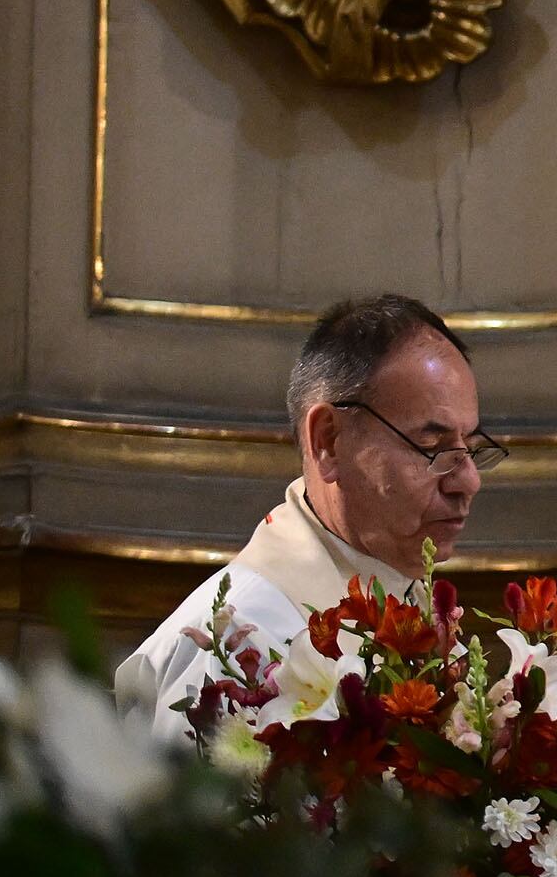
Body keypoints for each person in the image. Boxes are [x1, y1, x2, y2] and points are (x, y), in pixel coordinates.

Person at [114, 293, 492, 728]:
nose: (468, 481)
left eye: (472, 448)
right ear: (328, 441)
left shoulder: (420, 617)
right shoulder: (239, 647)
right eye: (431, 445)